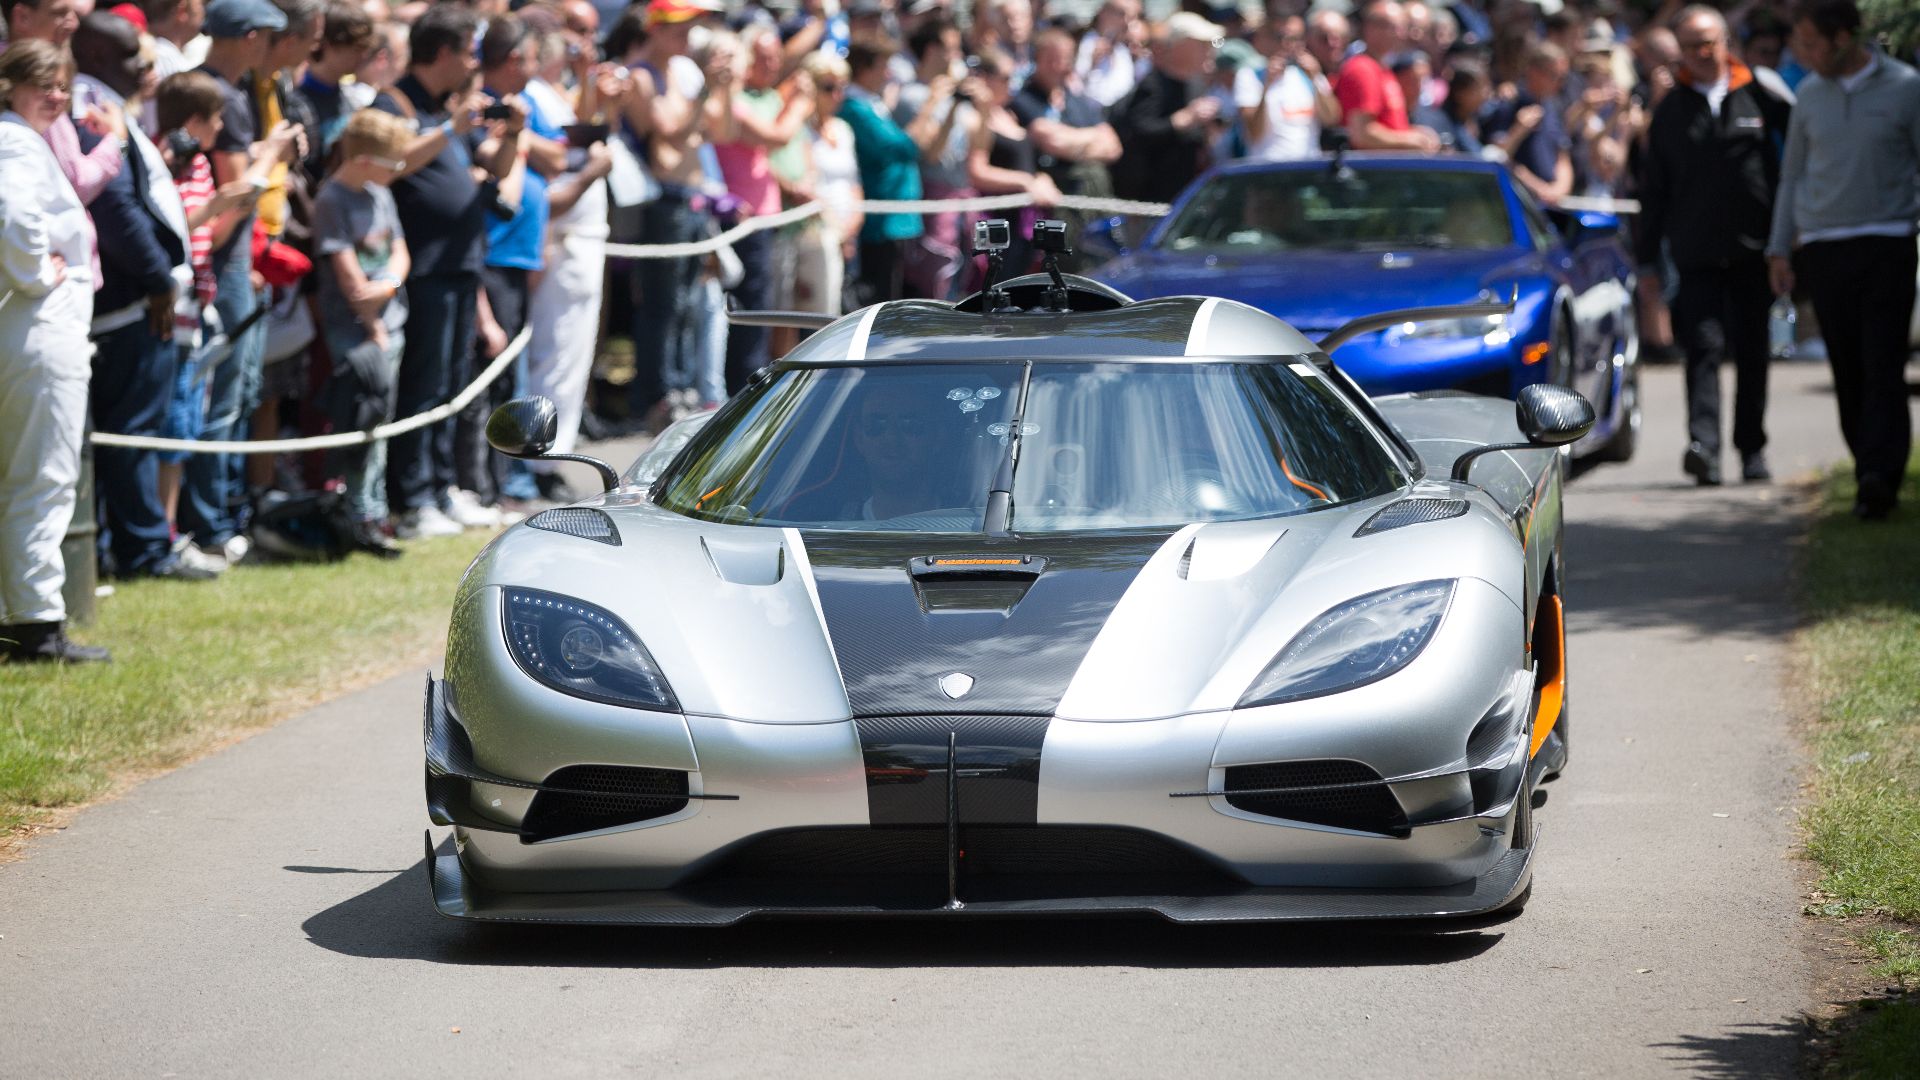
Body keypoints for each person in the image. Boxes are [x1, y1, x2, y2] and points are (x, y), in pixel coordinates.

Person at [73, 12, 215, 582]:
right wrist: (159, 280)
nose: (148, 66)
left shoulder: (111, 106)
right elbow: (115, 209)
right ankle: (141, 550)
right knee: (133, 431)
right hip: (134, 303)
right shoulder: (92, 109)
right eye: (136, 56)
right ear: (104, 59)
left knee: (143, 426)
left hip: (144, 297)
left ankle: (139, 543)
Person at [1767, 0, 1920, 520]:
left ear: (1844, 38)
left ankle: (1880, 476)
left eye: (1811, 43)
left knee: (1884, 363)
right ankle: (1867, 463)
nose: (1803, 54)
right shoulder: (1809, 94)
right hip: (1826, 246)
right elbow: (1792, 176)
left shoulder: (1904, 87)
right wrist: (1778, 246)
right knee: (1849, 366)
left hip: (1887, 241)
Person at [371, 3, 517, 538]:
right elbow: (391, 162)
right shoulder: (394, 102)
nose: (475, 65)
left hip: (461, 265)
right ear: (445, 52)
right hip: (422, 269)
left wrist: (513, 134)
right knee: (421, 387)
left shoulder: (447, 108)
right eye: (469, 53)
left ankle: (440, 488)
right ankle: (411, 499)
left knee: (452, 385)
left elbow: (494, 165)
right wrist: (450, 128)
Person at [1637, 5, 1791, 486]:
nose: (1701, 53)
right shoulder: (1670, 108)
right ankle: (1704, 446)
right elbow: (1653, 189)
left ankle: (1752, 449)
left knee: (1752, 349)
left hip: (1754, 250)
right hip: (1696, 252)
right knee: (1702, 346)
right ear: (1679, 51)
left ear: (1726, 42)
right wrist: (1646, 260)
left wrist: (1788, 241)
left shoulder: (1762, 95)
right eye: (1690, 45)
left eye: (1709, 42)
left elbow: (1795, 164)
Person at [0, 40, 108, 663]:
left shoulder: (22, 139)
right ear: (10, 84)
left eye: (62, 84)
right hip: (40, 328)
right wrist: (37, 274)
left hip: (36, 329)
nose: (57, 95)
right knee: (43, 479)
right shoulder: (16, 141)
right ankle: (38, 626)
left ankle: (29, 617)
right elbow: (16, 220)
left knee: (32, 479)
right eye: (42, 82)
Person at [180, 0, 297, 564]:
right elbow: (230, 195)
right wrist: (270, 155)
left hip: (234, 262)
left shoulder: (227, 90)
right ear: (250, 38)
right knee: (223, 397)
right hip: (223, 266)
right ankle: (211, 522)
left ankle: (222, 514)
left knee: (240, 393)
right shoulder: (222, 93)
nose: (274, 55)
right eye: (271, 41)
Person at [151, 70, 258, 560]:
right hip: (171, 312)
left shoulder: (197, 165)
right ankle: (165, 534)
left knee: (189, 419)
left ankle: (172, 532)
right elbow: (167, 230)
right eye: (216, 118)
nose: (221, 127)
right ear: (195, 121)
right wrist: (219, 204)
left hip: (198, 309)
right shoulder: (166, 159)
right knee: (172, 422)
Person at [617, 0, 736, 429]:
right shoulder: (641, 75)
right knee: (663, 305)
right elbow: (667, 131)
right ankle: (657, 394)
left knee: (689, 302)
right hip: (664, 200)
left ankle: (680, 387)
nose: (687, 36)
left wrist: (721, 87)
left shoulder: (684, 71)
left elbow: (719, 131)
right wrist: (705, 94)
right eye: (679, 28)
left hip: (691, 196)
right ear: (657, 29)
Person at [521, 10, 619, 503]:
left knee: (572, 355)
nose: (584, 43)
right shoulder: (533, 95)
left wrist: (589, 85)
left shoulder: (555, 90)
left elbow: (585, 130)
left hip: (580, 234)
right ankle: (540, 458)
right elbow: (565, 156)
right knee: (554, 353)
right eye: (574, 35)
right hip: (559, 237)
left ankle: (554, 453)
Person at [312, 108, 411, 556]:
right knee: (364, 423)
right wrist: (374, 329)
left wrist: (388, 285)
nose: (398, 172)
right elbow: (352, 285)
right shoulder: (332, 200)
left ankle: (376, 507)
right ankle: (358, 513)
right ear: (368, 160)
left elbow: (399, 252)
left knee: (383, 429)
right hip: (361, 336)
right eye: (393, 163)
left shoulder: (380, 194)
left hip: (390, 324)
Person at [714, 22, 813, 389]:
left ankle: (750, 377)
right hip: (745, 218)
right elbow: (777, 136)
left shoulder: (749, 99)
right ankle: (744, 383)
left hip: (764, 217)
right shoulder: (734, 104)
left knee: (765, 304)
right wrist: (801, 105)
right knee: (751, 310)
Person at [1010, 28, 1118, 270]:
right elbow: (1052, 142)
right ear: (1037, 60)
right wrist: (1091, 138)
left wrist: (1073, 141)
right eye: (1051, 59)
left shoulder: (1076, 98)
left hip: (1094, 198)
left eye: (1064, 59)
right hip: (1059, 203)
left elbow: (1112, 146)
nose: (1059, 66)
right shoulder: (1025, 99)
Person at [839, 33, 923, 302]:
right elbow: (900, 148)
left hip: (891, 220)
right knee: (877, 297)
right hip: (877, 222)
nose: (888, 74)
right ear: (864, 69)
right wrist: (932, 106)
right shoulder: (854, 108)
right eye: (882, 66)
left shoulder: (871, 104)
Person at [965, 44, 1057, 279]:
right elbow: (976, 171)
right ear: (984, 78)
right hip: (996, 224)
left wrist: (1040, 178)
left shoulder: (1010, 113)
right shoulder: (976, 118)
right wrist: (1025, 182)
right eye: (1006, 78)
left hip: (1023, 222)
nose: (1012, 85)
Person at [1110, 11, 1221, 204]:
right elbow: (1137, 132)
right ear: (1180, 46)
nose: (1208, 50)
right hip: (1150, 197)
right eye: (1201, 44)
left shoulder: (1195, 85)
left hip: (1184, 194)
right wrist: (1182, 120)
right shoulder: (1153, 85)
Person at [1334, 0, 1439, 151]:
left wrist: (1415, 133)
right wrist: (1411, 140)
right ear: (1372, 29)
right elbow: (1362, 134)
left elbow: (1387, 125)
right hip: (1373, 171)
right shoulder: (1362, 69)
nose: (1403, 34)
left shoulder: (1381, 68)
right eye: (1396, 27)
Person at [1239, 12, 1339, 162]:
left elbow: (1331, 119)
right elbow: (1253, 132)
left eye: (1296, 39)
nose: (1289, 45)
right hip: (1266, 169)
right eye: (1281, 38)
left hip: (1307, 168)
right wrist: (1267, 86)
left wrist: (1315, 76)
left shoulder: (1310, 73)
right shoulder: (1250, 75)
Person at [1483, 43, 1574, 205]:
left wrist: (1558, 189)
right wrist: (1519, 130)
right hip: (1518, 201)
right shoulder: (1509, 104)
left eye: (1563, 77)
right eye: (1554, 76)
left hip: (1552, 204)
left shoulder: (1554, 106)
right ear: (1533, 72)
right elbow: (1496, 156)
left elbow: (1562, 155)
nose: (1560, 84)